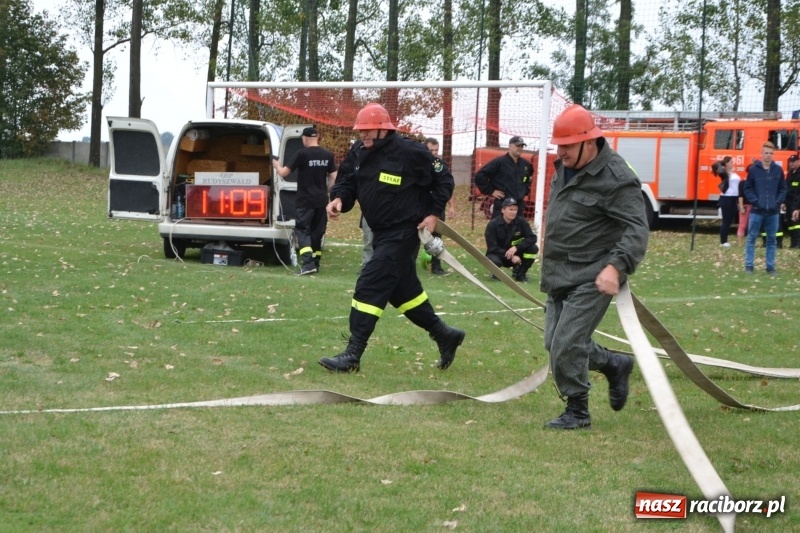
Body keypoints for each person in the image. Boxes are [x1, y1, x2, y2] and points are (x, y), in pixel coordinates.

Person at [320, 103, 465, 373]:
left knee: (370, 283)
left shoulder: (411, 152)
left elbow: (443, 179)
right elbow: (347, 181)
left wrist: (434, 214)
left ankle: (353, 354)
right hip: (380, 233)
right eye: (359, 131)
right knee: (403, 292)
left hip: (404, 233)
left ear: (382, 128)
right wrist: (338, 198)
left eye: (367, 131)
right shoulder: (359, 151)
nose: (362, 135)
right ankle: (445, 335)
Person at [540, 104, 649, 430]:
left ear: (591, 142)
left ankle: (578, 411)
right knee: (554, 343)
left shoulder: (617, 178)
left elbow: (637, 229)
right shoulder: (565, 165)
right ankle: (614, 364)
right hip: (559, 270)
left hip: (594, 273)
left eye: (568, 145)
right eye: (559, 145)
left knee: (566, 344)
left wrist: (617, 267)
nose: (562, 152)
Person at [272, 126, 337, 275]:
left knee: (302, 230)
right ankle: (315, 263)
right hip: (321, 200)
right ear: (317, 137)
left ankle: (308, 264)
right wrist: (327, 189)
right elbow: (334, 176)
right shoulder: (328, 155)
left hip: (305, 201)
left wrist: (276, 165)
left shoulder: (301, 154)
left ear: (305, 138)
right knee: (317, 233)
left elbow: (283, 173)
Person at [743, 141, 787, 275]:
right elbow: (747, 188)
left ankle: (770, 267)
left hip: (773, 212)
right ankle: (749, 266)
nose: (768, 156)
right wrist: (755, 201)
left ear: (773, 154)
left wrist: (777, 202)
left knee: (771, 239)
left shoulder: (778, 170)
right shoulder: (753, 170)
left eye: (771, 153)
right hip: (757, 211)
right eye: (766, 153)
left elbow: (783, 188)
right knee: (751, 238)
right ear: (761, 153)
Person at [474, 136, 533, 218]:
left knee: (518, 230)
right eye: (517, 146)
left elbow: (527, 179)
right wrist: (491, 191)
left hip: (518, 206)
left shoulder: (526, 164)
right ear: (510, 146)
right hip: (502, 205)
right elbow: (480, 176)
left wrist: (525, 190)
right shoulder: (499, 162)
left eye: (521, 146)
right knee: (499, 229)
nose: (520, 148)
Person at [484, 197, 538, 282]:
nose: (513, 212)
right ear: (503, 210)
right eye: (510, 209)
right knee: (493, 260)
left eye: (515, 210)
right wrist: (511, 256)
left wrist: (517, 248)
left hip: (516, 253)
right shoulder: (493, 224)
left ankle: (520, 274)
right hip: (499, 254)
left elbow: (532, 238)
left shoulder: (521, 222)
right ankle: (496, 274)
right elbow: (492, 247)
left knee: (533, 248)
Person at [425, 137, 456, 275]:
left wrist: (451, 206)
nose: (434, 153)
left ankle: (436, 267)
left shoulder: (441, 165)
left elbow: (446, 188)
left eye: (436, 150)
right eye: (431, 150)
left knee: (437, 239)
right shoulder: (417, 164)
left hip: (437, 208)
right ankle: (407, 268)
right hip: (420, 207)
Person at [713, 156, 742, 247]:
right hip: (726, 198)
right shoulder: (724, 173)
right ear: (726, 164)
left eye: (732, 162)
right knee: (726, 220)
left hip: (734, 198)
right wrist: (722, 163)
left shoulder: (732, 173)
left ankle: (725, 240)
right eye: (731, 162)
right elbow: (717, 166)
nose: (732, 163)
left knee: (730, 220)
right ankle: (723, 241)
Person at [784, 154, 800, 248]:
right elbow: (786, 187)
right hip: (789, 202)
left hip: (796, 202)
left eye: (793, 161)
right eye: (790, 162)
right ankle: (793, 242)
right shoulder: (790, 173)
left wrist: (797, 206)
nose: (791, 163)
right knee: (790, 223)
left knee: (796, 223)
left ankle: (798, 243)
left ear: (798, 162)